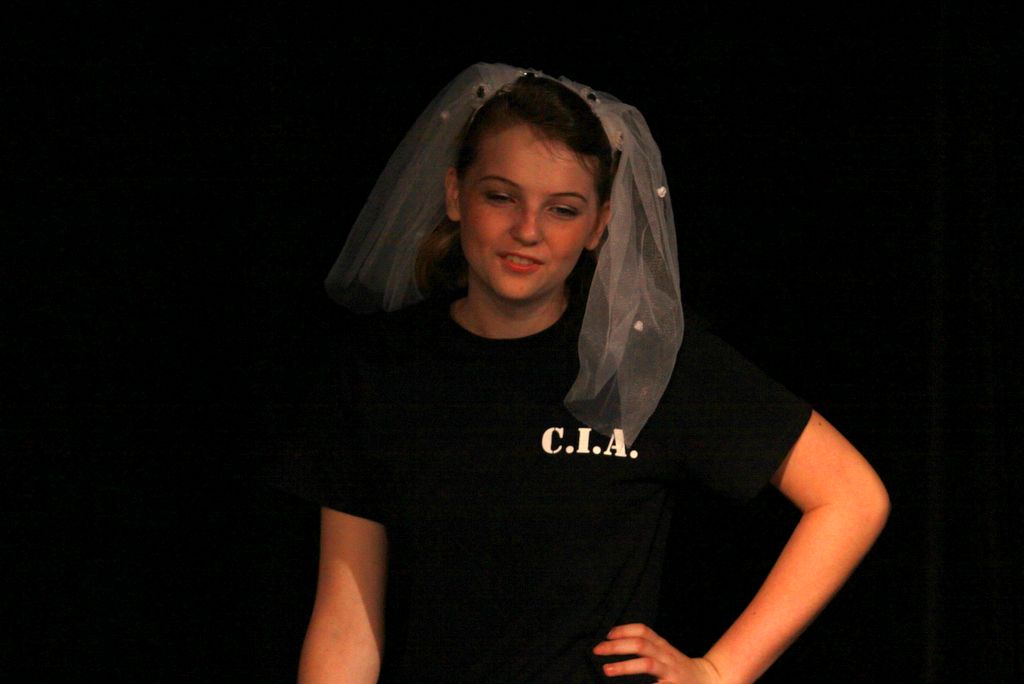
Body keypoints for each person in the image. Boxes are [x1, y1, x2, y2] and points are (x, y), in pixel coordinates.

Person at [279, 63, 889, 683]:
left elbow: (850, 497)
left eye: (563, 209)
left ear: (599, 224)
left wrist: (717, 671)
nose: (528, 230)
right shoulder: (381, 370)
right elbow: (346, 625)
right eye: (500, 196)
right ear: (456, 194)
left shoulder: (643, 361)